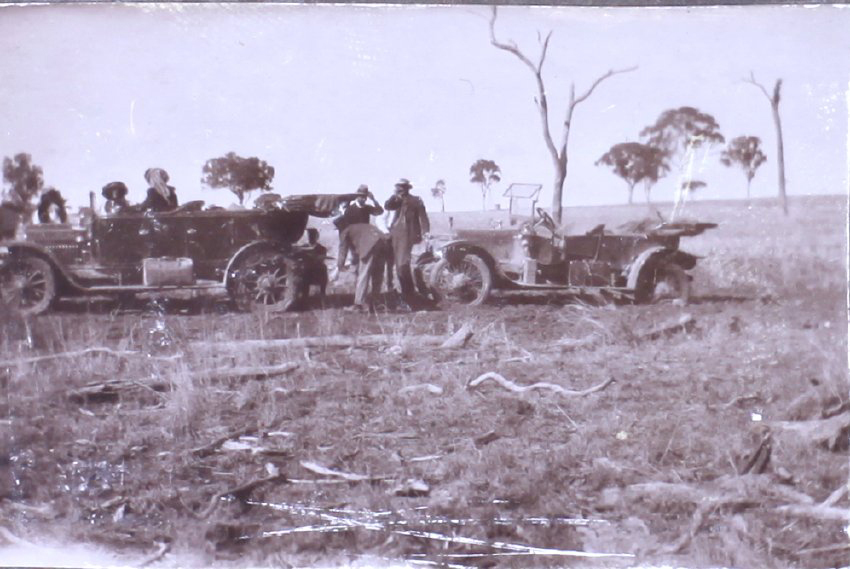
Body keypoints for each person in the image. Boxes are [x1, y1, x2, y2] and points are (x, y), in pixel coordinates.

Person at [384, 178, 431, 308]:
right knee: (397, 265)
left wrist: (426, 231)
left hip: (408, 235)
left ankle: (409, 293)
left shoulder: (416, 200)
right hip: (396, 234)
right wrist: (395, 196)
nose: (399, 190)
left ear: (406, 188)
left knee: (402, 264)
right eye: (397, 188)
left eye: (400, 188)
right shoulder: (396, 200)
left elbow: (423, 217)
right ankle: (406, 292)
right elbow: (387, 206)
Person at [329, 222, 391, 313]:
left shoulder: (345, 231)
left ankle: (359, 305)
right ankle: (375, 303)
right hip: (383, 243)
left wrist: (339, 266)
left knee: (363, 275)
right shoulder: (358, 227)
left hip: (370, 245)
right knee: (378, 275)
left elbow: (343, 250)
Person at [300, 227, 329, 299]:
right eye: (310, 235)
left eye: (313, 235)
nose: (311, 237)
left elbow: (322, 258)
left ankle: (322, 294)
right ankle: (304, 296)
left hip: (317, 270)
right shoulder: (303, 247)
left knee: (323, 268)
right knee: (303, 272)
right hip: (307, 270)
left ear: (317, 236)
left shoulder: (322, 248)